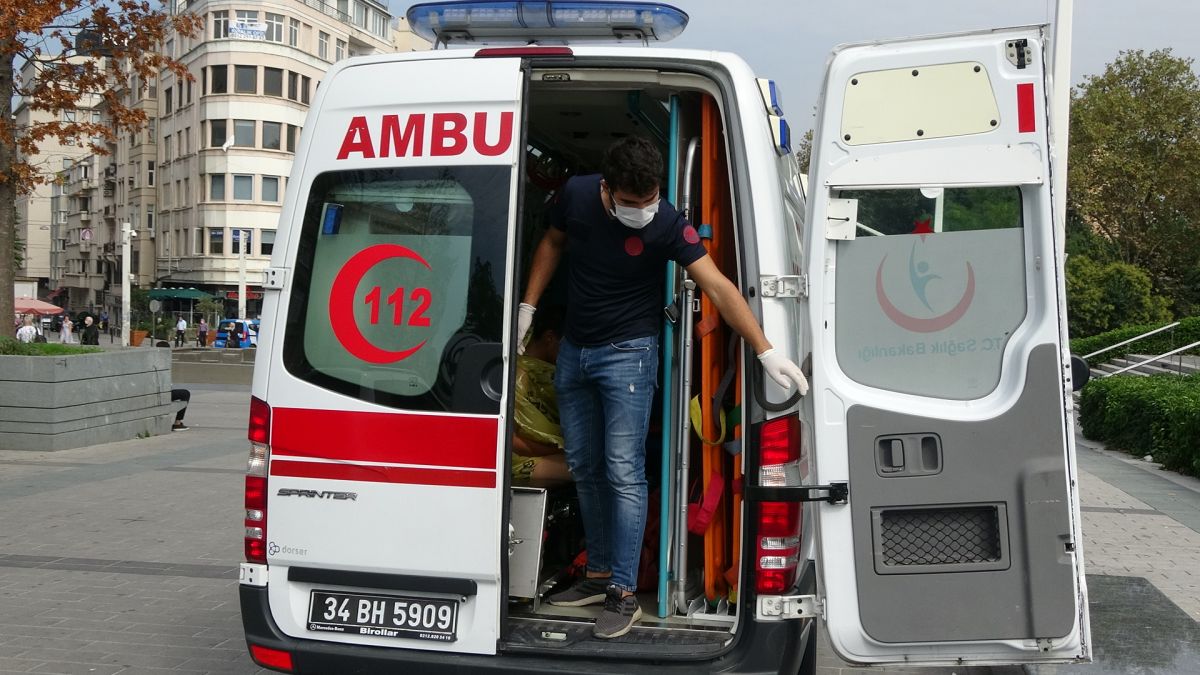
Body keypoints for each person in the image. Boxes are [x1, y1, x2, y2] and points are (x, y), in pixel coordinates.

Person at [518, 136, 808, 639]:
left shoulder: (669, 223)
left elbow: (718, 285)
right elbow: (552, 241)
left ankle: (623, 593)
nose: (644, 211)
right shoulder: (578, 196)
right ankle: (599, 572)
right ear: (607, 190)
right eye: (633, 204)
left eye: (651, 199)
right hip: (574, 351)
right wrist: (528, 306)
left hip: (629, 354)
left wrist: (766, 350)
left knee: (622, 470)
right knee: (584, 465)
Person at [512, 306, 572, 486]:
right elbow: (511, 441)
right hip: (516, 460)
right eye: (567, 345)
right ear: (549, 338)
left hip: (547, 453)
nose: (570, 353)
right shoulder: (518, 377)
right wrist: (558, 450)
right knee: (589, 468)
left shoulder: (544, 377)